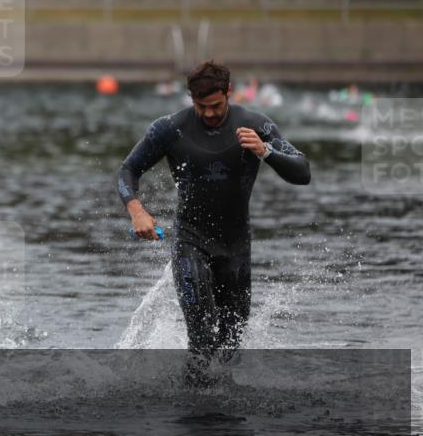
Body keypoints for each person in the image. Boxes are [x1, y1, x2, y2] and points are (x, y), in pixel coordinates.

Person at [117, 61, 310, 384]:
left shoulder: (256, 125)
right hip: (191, 241)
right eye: (200, 106)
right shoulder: (169, 128)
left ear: (229, 92)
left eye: (215, 105)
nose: (208, 113)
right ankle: (192, 415)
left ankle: (219, 423)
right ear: (191, 98)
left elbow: (303, 172)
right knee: (202, 338)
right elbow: (128, 170)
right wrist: (136, 209)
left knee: (230, 348)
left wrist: (265, 152)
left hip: (236, 248)